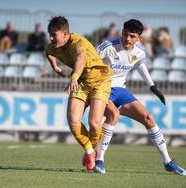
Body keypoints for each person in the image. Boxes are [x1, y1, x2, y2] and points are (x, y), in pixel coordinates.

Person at [92, 19, 186, 176]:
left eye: (132, 36)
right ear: (121, 32)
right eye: (125, 34)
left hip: (120, 90)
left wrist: (152, 86)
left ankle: (168, 162)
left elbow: (140, 64)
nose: (127, 39)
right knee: (112, 116)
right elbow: (88, 60)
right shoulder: (107, 46)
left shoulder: (140, 52)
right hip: (102, 89)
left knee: (148, 118)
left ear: (139, 38)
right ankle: (99, 160)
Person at [45, 16, 112, 171]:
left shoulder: (78, 43)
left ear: (66, 33)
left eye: (54, 34)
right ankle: (90, 152)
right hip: (81, 81)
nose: (51, 38)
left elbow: (80, 59)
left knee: (95, 124)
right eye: (50, 34)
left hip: (100, 80)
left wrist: (73, 77)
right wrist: (55, 66)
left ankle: (94, 149)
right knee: (73, 120)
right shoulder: (53, 46)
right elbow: (48, 52)